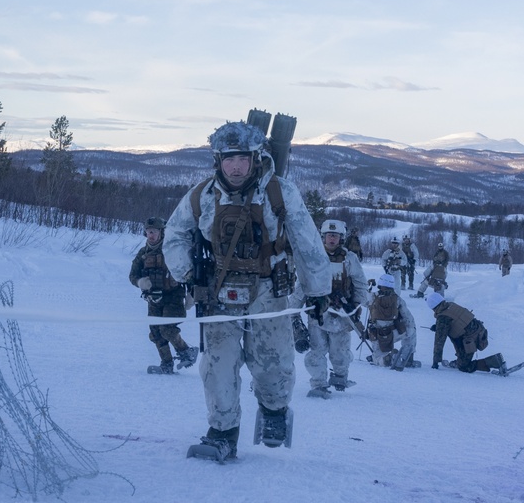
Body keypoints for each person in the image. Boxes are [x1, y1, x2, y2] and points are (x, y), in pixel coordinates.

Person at [163, 120, 331, 460]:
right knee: (217, 366)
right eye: (229, 159)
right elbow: (175, 234)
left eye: (243, 158)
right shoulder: (202, 196)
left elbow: (308, 243)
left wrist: (317, 291)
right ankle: (222, 432)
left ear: (256, 158)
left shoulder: (280, 192)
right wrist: (187, 273)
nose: (236, 166)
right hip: (219, 292)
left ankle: (273, 412)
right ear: (218, 161)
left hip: (269, 290)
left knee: (272, 362)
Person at [291, 219, 369, 398]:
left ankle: (340, 376)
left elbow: (360, 284)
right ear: (323, 237)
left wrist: (356, 306)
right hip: (317, 314)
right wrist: (293, 310)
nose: (331, 239)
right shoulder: (314, 257)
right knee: (316, 353)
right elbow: (302, 285)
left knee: (339, 353)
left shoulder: (350, 259)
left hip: (342, 316)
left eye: (335, 236)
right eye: (328, 235)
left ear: (341, 238)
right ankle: (318, 384)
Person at [129, 217, 197, 374]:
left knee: (167, 329)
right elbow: (132, 275)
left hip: (173, 297)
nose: (150, 235)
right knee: (155, 333)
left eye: (153, 232)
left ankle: (186, 351)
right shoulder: (143, 254)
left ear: (162, 232)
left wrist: (191, 294)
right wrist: (140, 282)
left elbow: (188, 272)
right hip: (153, 299)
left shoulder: (172, 251)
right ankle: (166, 364)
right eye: (147, 232)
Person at [425, 292, 508, 375]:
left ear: (433, 307)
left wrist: (436, 362)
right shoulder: (451, 305)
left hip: (470, 339)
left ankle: (495, 361)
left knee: (464, 367)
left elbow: (439, 342)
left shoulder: (442, 318)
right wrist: (438, 327)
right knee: (462, 358)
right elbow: (456, 320)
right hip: (479, 330)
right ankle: (459, 361)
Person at [366, 273, 416, 370]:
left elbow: (361, 297)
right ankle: (407, 357)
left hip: (376, 336)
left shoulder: (372, 297)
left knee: (377, 358)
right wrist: (409, 329)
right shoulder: (397, 299)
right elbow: (408, 318)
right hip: (393, 334)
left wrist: (368, 286)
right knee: (412, 331)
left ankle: (385, 359)